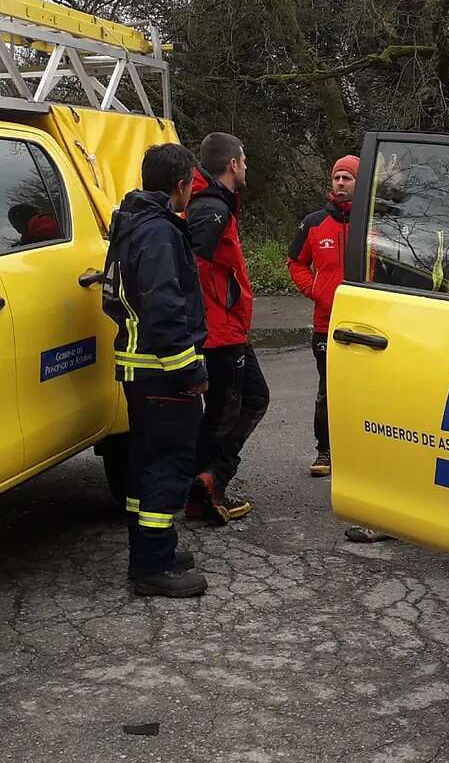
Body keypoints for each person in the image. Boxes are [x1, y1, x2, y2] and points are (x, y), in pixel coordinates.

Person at [101, 143, 210, 597]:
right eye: (190, 185)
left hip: (139, 371)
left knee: (145, 465)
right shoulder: (161, 234)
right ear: (181, 186)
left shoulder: (132, 224)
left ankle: (152, 547)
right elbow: (165, 310)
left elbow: (112, 297)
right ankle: (153, 567)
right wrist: (189, 371)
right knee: (168, 465)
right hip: (163, 374)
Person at [287, 154, 391, 543]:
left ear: (361, 183)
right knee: (327, 391)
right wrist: (314, 289)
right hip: (326, 324)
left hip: (371, 327)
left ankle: (364, 458)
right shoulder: (315, 223)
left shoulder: (377, 227)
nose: (342, 182)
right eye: (337, 176)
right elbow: (295, 263)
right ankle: (326, 451)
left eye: (349, 177)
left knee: (369, 395)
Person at [184, 132, 268, 524]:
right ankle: (209, 481)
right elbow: (192, 266)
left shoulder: (214, 203)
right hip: (219, 330)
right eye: (245, 160)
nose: (246, 166)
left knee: (231, 405)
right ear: (233, 164)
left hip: (226, 326)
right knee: (235, 406)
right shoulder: (211, 208)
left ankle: (205, 483)